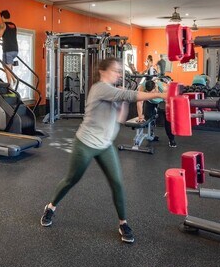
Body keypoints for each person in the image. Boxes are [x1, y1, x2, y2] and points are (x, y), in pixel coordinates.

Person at [40, 57, 167, 243]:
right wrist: (161, 96)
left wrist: (122, 100)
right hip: (85, 144)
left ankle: (123, 223)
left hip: (105, 145)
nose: (118, 73)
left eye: (119, 70)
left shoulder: (113, 92)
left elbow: (120, 119)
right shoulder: (100, 88)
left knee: (117, 183)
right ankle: (50, 207)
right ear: (103, 71)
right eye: (115, 70)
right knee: (71, 179)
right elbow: (131, 96)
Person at [137, 77, 177, 148]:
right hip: (150, 101)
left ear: (156, 87)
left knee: (168, 119)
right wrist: (140, 117)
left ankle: (171, 139)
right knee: (148, 117)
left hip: (162, 101)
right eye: (148, 92)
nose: (152, 94)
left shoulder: (164, 87)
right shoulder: (142, 88)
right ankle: (151, 135)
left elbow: (170, 100)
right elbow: (139, 102)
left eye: (152, 92)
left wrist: (168, 110)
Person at [0, 10, 18, 88]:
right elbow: (11, 37)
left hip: (8, 50)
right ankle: (14, 79)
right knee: (5, 65)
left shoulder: (3, 25)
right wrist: (4, 43)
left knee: (7, 67)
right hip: (15, 50)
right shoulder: (14, 25)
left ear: (2, 17)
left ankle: (10, 85)